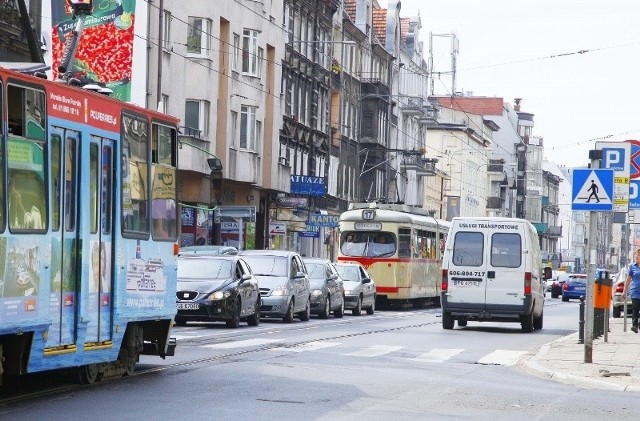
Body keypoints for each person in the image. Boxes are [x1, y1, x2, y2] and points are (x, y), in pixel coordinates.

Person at [624, 249, 640, 333]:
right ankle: (635, 326)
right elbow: (628, 279)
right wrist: (624, 290)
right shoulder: (632, 266)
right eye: (636, 255)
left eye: (638, 255)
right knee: (635, 309)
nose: (637, 257)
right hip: (635, 291)